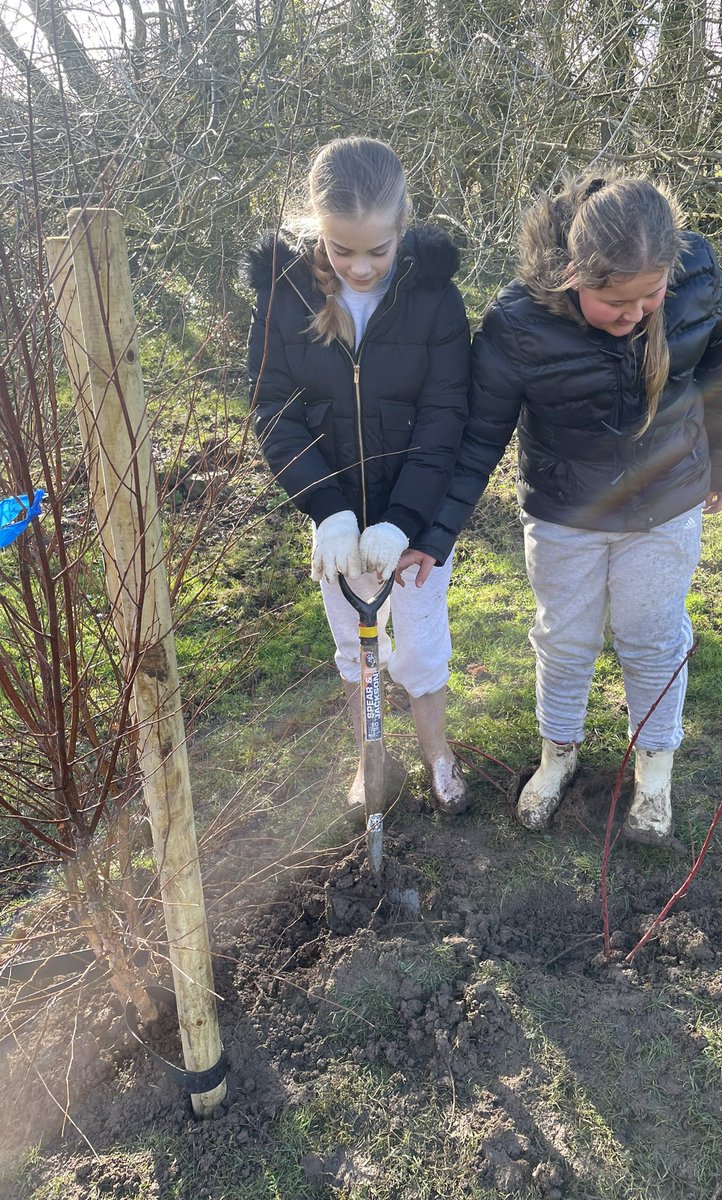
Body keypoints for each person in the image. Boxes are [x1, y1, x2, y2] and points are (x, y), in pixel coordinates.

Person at [410, 173, 722, 843]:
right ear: (573, 276)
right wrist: (436, 531)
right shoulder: (517, 323)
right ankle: (556, 757)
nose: (636, 316)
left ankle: (654, 778)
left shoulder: (699, 276)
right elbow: (480, 438)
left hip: (667, 502)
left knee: (652, 635)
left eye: (649, 296)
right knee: (564, 641)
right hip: (565, 512)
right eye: (614, 303)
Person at [245, 137, 471, 816]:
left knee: (422, 644)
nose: (362, 267)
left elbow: (445, 417)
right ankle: (371, 759)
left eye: (378, 249)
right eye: (343, 251)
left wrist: (405, 520)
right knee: (355, 648)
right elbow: (273, 409)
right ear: (317, 227)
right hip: (335, 523)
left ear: (403, 227)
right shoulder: (285, 299)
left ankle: (437, 751)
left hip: (418, 516)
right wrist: (328, 510)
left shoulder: (434, 299)